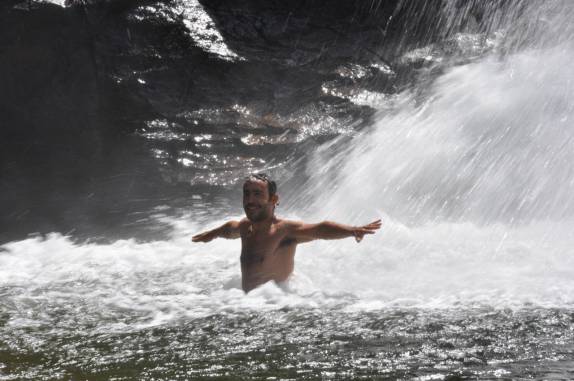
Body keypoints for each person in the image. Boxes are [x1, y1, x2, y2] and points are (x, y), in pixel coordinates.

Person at [192, 173, 382, 292]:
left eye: (257, 194)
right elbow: (230, 228)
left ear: (273, 199)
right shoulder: (245, 227)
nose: (250, 200)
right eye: (246, 193)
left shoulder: (284, 231)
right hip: (249, 305)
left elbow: (320, 228)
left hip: (276, 306)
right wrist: (212, 233)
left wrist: (352, 230)